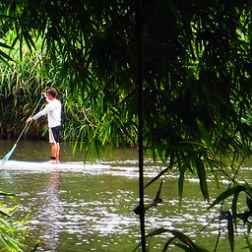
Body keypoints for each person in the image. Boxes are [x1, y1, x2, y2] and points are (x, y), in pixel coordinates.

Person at [27, 88, 62, 163]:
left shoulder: (50, 105)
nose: (48, 96)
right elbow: (50, 103)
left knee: (53, 143)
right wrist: (45, 98)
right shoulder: (57, 102)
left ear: (50, 95)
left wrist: (32, 118)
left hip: (53, 126)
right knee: (57, 142)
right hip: (58, 125)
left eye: (48, 95)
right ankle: (57, 160)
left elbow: (42, 112)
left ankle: (53, 160)